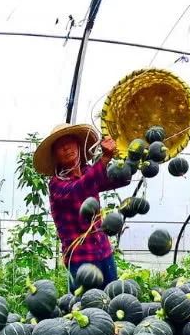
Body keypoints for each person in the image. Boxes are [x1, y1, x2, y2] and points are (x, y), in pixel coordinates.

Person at [33, 123, 129, 292]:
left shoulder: (88, 171)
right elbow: (78, 190)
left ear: (79, 145)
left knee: (112, 301)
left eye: (70, 141)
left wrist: (134, 158)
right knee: (86, 309)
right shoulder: (57, 184)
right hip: (80, 259)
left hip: (103, 252)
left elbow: (119, 179)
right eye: (59, 146)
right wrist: (104, 159)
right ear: (55, 156)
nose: (66, 147)